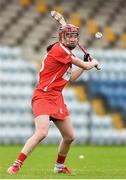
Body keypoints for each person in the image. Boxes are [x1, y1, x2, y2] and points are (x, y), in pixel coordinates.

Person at [7, 24, 99, 175]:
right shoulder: (59, 49)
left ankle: (59, 166)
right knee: (41, 133)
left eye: (75, 36)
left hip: (56, 97)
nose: (73, 38)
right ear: (62, 38)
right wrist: (91, 63)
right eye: (69, 36)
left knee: (69, 136)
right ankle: (16, 165)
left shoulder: (66, 56)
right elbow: (86, 65)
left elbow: (72, 78)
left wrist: (84, 65)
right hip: (43, 95)